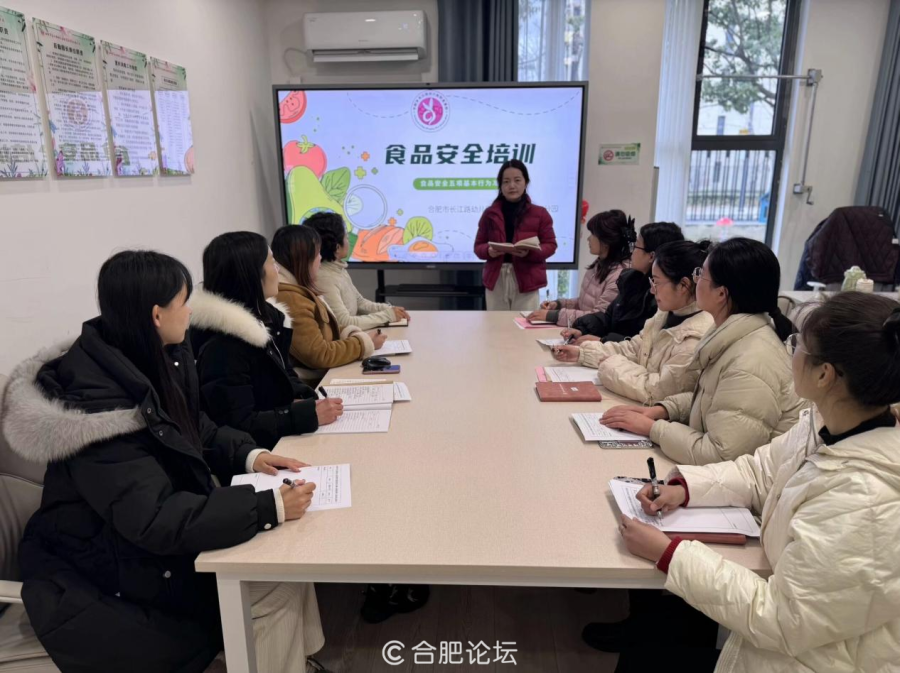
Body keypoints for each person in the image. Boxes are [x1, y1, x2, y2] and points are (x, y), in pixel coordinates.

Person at [3, 251, 327, 673]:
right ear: (157, 315)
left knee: (281, 563)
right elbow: (155, 519)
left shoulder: (153, 354)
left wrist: (251, 456)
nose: (191, 311)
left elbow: (193, 426)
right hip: (104, 575)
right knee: (274, 586)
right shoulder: (97, 412)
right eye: (183, 301)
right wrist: (268, 506)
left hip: (137, 541)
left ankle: (298, 659)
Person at [617, 293, 900, 672]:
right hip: (786, 644)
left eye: (797, 345)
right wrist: (685, 489)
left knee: (649, 652)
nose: (789, 352)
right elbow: (760, 471)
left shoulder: (864, 498)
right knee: (654, 641)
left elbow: (785, 620)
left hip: (813, 659)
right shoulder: (826, 423)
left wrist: (670, 555)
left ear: (824, 375)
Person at [601, 237, 803, 465]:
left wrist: (653, 428)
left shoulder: (751, 361)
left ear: (721, 293)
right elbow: (715, 402)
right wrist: (665, 410)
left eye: (701, 274)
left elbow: (720, 455)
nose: (695, 280)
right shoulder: (732, 335)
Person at [190, 232, 344, 449]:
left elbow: (285, 374)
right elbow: (237, 424)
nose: (278, 269)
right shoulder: (222, 347)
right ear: (252, 274)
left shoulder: (267, 319)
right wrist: (304, 414)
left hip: (283, 437)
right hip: (263, 453)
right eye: (272, 262)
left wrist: (306, 399)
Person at [552, 240, 714, 405]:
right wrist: (582, 353)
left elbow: (655, 391)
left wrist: (609, 365)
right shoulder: (664, 315)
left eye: (656, 282)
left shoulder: (694, 337)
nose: (652, 290)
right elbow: (632, 349)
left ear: (683, 285)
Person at [271, 225, 386, 380]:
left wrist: (352, 334)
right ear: (304, 258)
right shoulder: (291, 300)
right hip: (315, 383)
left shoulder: (298, 289)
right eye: (317, 253)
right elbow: (320, 355)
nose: (320, 258)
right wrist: (363, 343)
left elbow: (323, 328)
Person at [561, 221, 684, 344]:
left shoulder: (663, 297)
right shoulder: (631, 280)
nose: (632, 252)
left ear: (651, 256)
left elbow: (642, 343)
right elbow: (609, 318)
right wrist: (583, 330)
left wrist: (603, 341)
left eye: (636, 246)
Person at [474, 159, 557, 311]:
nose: (511, 185)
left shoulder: (540, 213)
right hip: (496, 278)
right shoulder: (490, 214)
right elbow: (478, 246)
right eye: (506, 181)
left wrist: (530, 253)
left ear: (526, 182)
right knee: (496, 323)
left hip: (527, 278)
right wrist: (489, 251)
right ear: (500, 185)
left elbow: (550, 245)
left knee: (524, 321)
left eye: (517, 180)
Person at [529, 210, 635, 326]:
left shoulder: (619, 276)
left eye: (593, 234)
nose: (588, 239)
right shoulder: (599, 265)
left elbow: (598, 317)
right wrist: (559, 304)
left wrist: (554, 315)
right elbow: (584, 304)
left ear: (606, 241)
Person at [309, 212, 411, 330]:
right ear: (337, 247)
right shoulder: (324, 278)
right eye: (346, 237)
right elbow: (344, 322)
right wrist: (388, 315)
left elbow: (360, 303)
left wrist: (389, 309)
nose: (349, 240)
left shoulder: (337, 269)